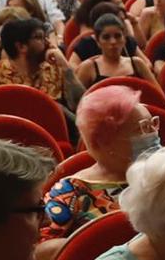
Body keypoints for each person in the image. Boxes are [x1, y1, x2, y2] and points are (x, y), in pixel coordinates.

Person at [41, 83, 154, 245]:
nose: (153, 135)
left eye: (153, 125)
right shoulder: (72, 191)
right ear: (104, 142)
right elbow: (39, 251)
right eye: (142, 129)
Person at [0, 17, 74, 106]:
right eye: (39, 37)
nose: (48, 43)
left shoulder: (56, 69)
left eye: (46, 37)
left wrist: (65, 65)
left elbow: (79, 108)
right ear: (21, 47)